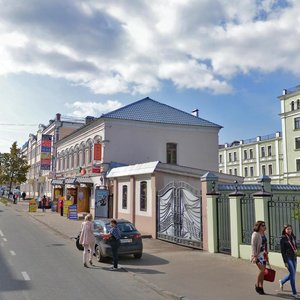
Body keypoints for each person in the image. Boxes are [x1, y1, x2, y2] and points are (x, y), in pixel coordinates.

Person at [279, 224, 299, 298]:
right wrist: (285, 262)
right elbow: (282, 251)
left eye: (290, 229)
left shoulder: (293, 237)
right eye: (287, 229)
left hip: (294, 257)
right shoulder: (283, 239)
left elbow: (294, 245)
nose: (289, 230)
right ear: (285, 230)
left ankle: (282, 281)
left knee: (292, 274)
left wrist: (296, 249)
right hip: (288, 258)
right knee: (293, 275)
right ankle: (294, 293)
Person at [251, 220, 268, 295]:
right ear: (259, 226)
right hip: (257, 255)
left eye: (264, 225)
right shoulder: (255, 234)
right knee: (261, 270)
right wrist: (254, 256)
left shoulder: (263, 233)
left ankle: (261, 286)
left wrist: (267, 253)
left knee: (263, 271)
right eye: (262, 225)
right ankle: (257, 285)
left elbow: (265, 244)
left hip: (263, 254)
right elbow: (253, 245)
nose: (264, 226)